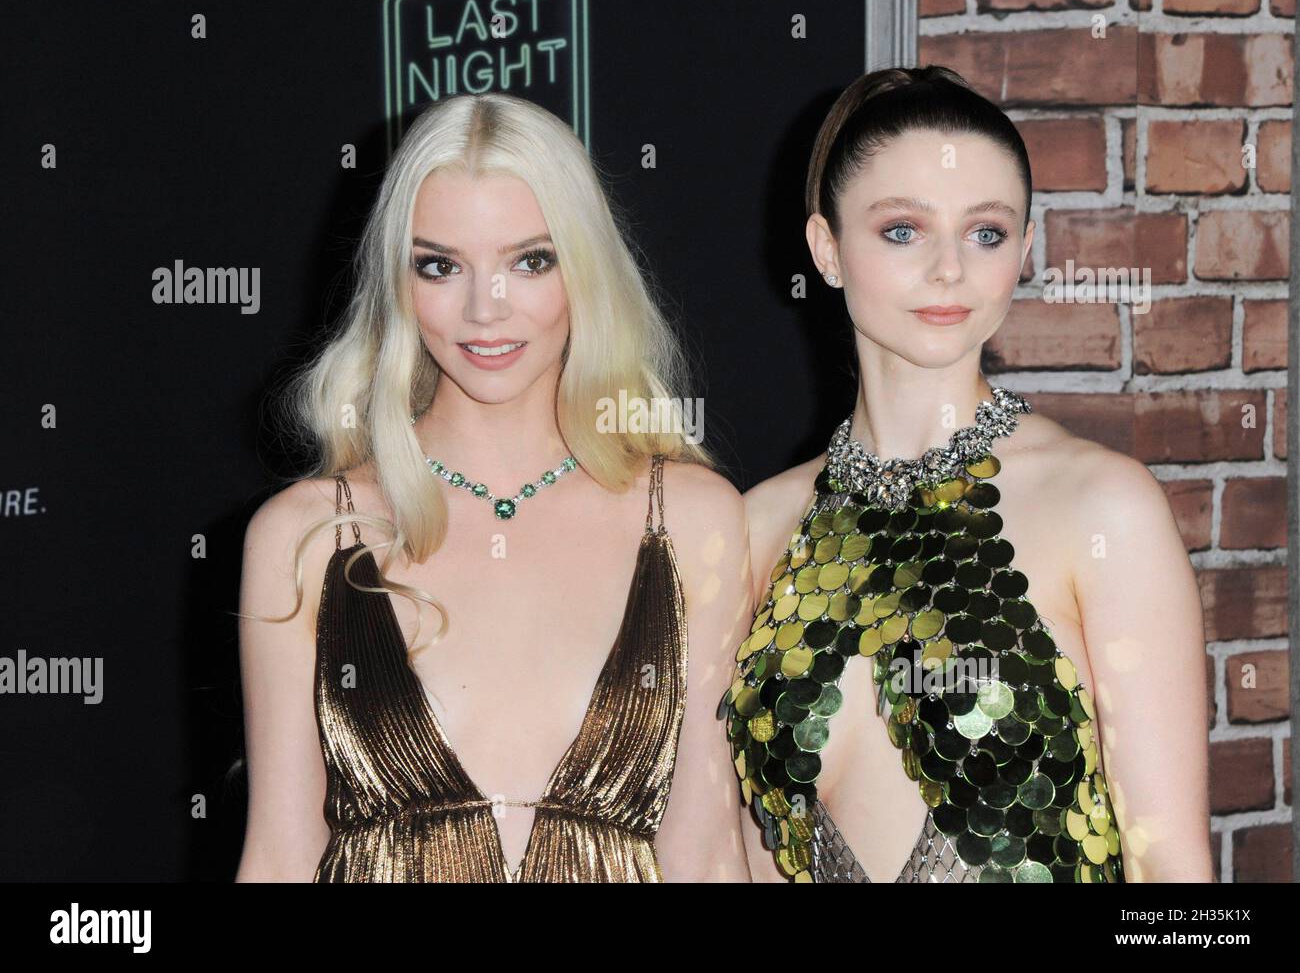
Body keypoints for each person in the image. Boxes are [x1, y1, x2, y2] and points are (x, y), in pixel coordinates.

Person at [234, 92, 753, 882]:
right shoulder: (307, 534)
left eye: (530, 260)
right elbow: (278, 857)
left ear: (585, 269)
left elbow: (708, 853)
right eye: (440, 265)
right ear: (398, 282)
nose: (486, 309)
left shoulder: (691, 518)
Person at [724, 66, 1211, 883]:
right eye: (903, 230)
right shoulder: (752, 526)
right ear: (827, 249)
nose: (949, 268)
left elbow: (1179, 882)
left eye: (985, 232)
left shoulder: (1103, 507)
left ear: (1022, 250)